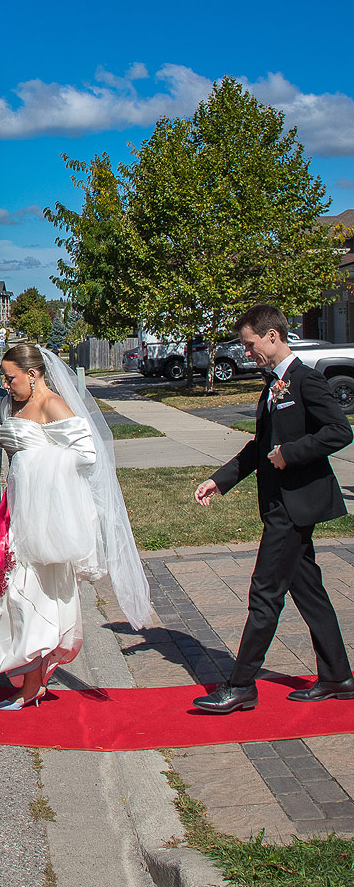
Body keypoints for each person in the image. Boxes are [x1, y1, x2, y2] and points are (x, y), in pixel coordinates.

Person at [193, 304, 354, 714]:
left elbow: (339, 431)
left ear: (272, 336)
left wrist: (292, 453)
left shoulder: (305, 381)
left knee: (265, 594)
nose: (247, 353)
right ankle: (337, 676)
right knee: (311, 593)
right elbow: (259, 448)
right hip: (282, 504)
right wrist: (221, 480)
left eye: (250, 345)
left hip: (294, 507)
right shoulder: (272, 386)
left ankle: (242, 684)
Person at [0, 343, 153, 710]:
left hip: (42, 512)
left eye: (11, 378)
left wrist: (37, 468)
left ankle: (31, 683)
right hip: (16, 508)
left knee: (33, 591)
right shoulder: (10, 404)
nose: (6, 384)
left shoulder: (52, 404)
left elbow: (87, 454)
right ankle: (30, 673)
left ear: (33, 374)